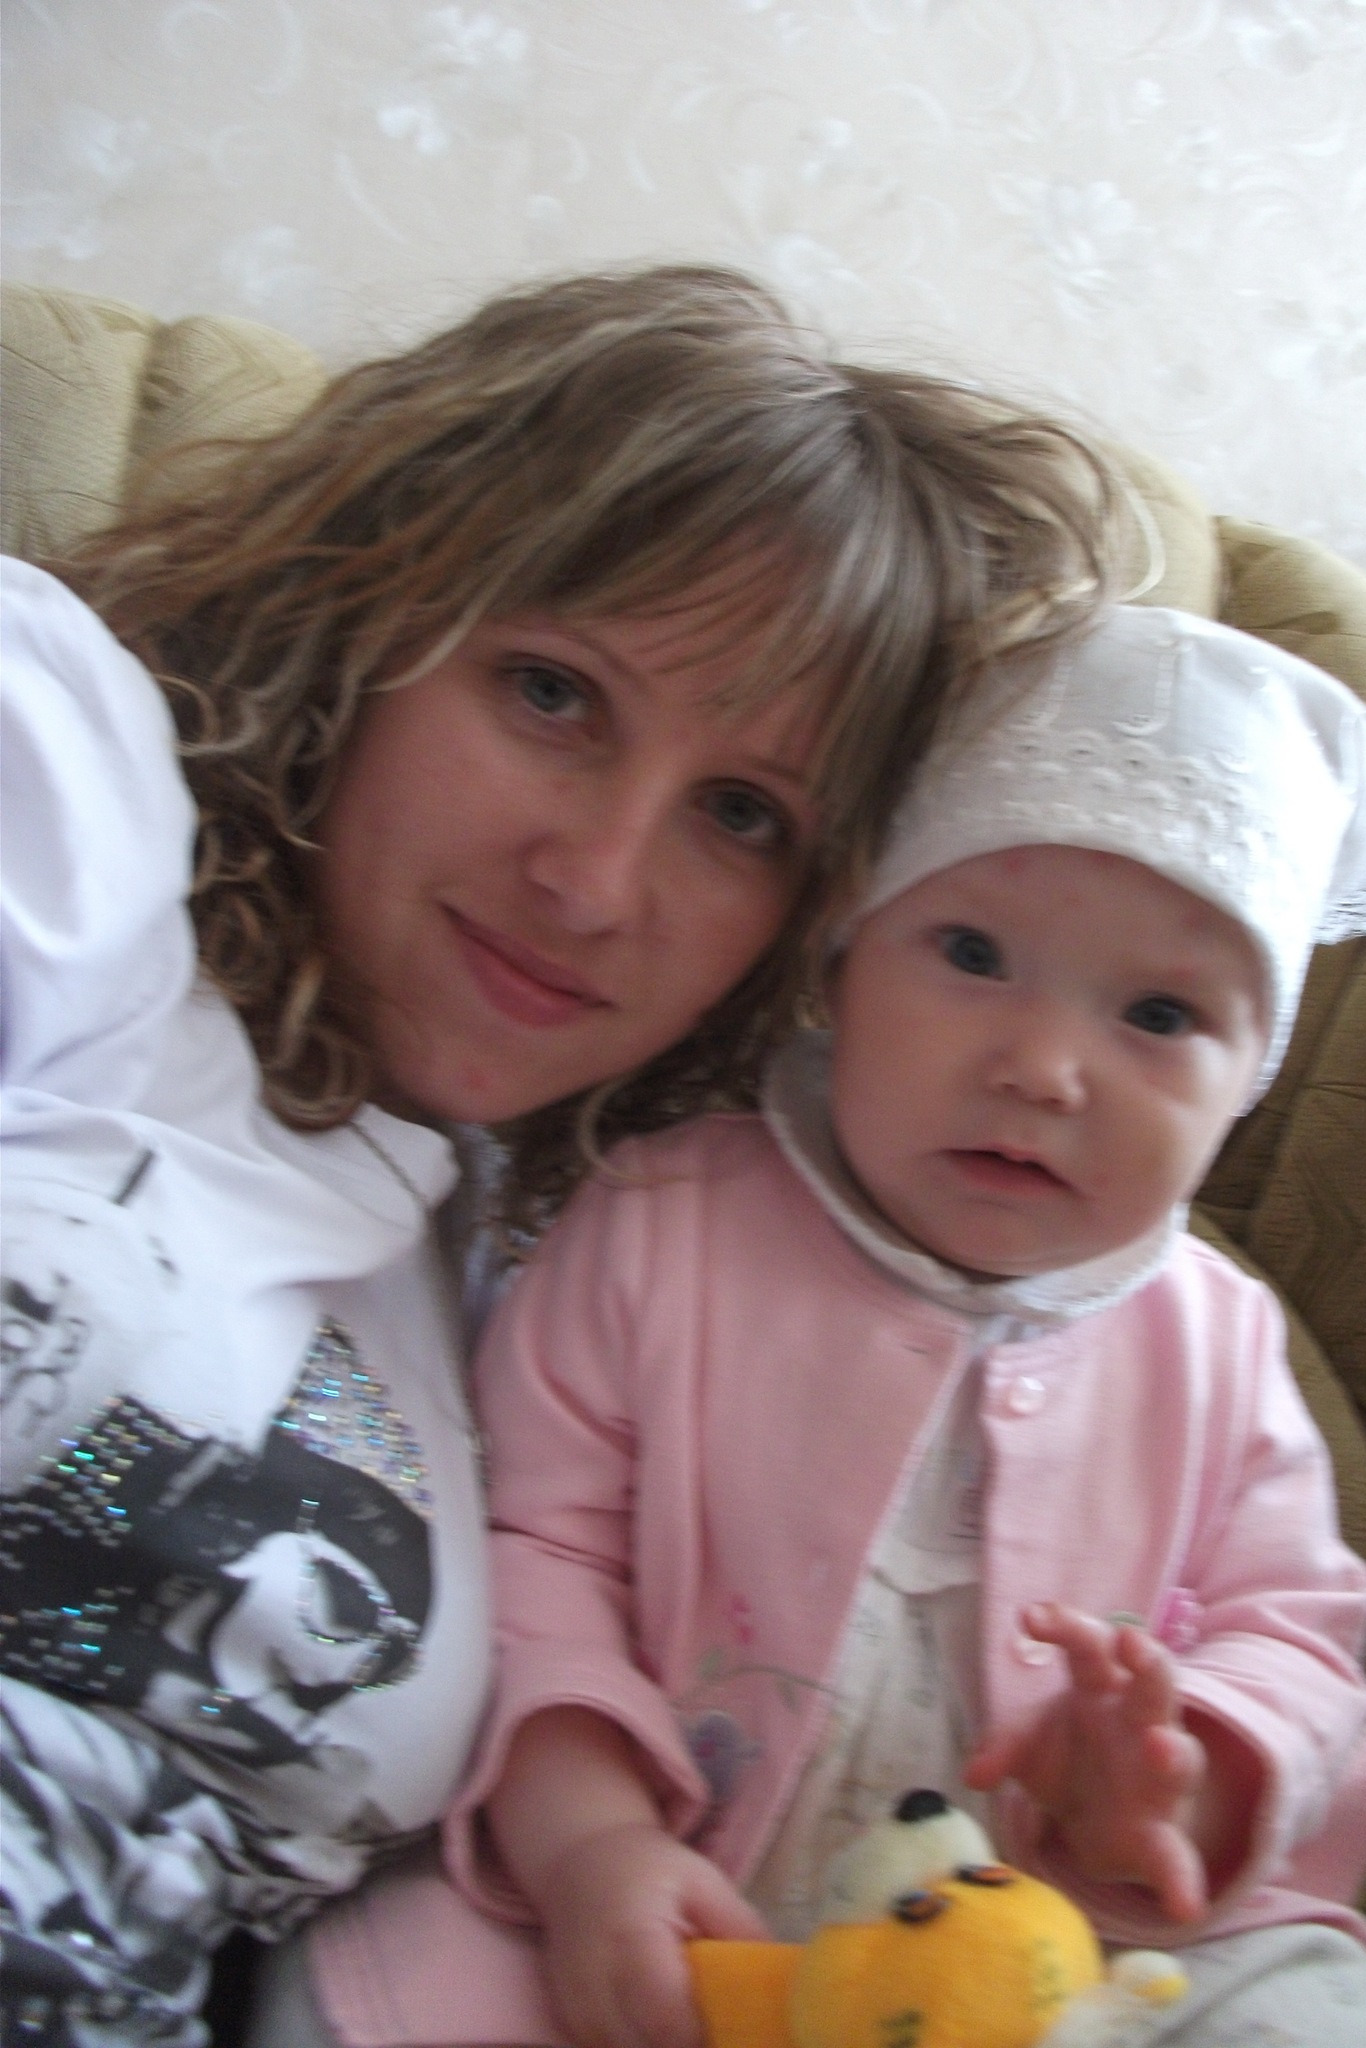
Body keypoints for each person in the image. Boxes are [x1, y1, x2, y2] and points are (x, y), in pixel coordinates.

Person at [0, 264, 1128, 2048]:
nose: (596, 886)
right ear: (360, 612)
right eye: (551, 693)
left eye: (742, 816)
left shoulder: (549, 1299)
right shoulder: (64, 793)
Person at [430, 606, 1366, 2048]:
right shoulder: (657, 1219)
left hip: (1079, 1949)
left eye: (1160, 1015)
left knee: (1308, 2005)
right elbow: (533, 1555)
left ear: (1249, 1084)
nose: (1042, 1069)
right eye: (974, 952)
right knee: (381, 1979)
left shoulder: (1223, 1343)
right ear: (841, 962)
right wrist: (589, 1844)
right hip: (685, 1896)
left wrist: (1180, 1775)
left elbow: (1301, 1633)